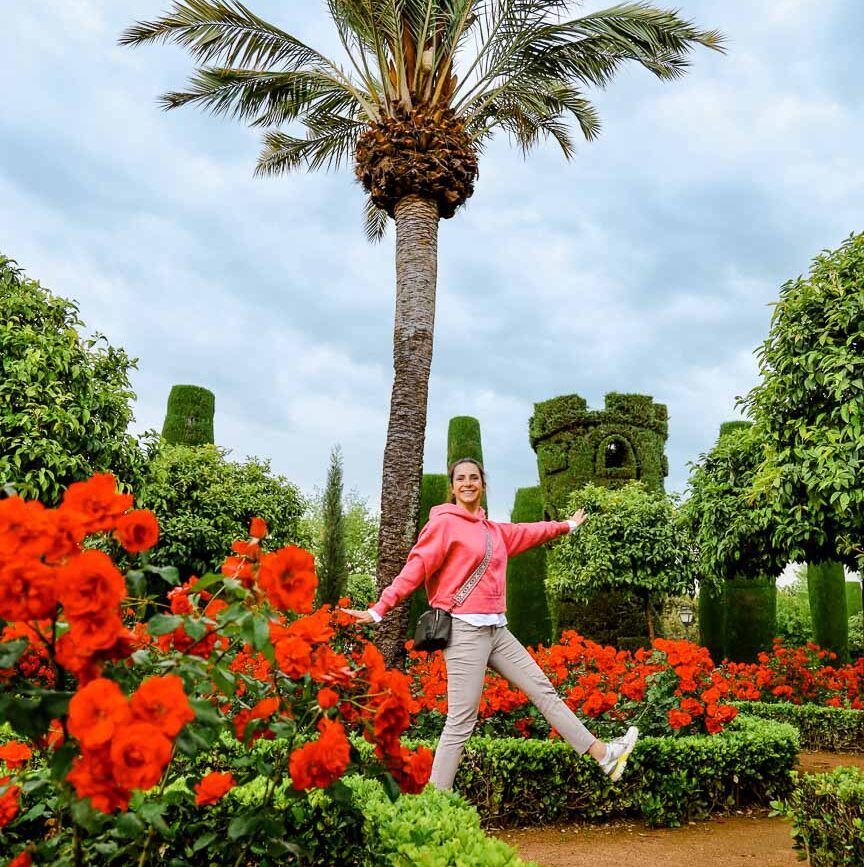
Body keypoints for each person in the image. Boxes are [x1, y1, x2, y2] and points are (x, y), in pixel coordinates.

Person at [342, 457, 638, 791]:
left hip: (497, 630)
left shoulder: (494, 532)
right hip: (465, 632)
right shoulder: (443, 525)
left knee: (543, 691)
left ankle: (604, 755)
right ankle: (434, 805)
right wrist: (380, 608)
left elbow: (530, 532)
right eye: (461, 479)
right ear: (452, 487)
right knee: (461, 722)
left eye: (474, 478)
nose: (468, 483)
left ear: (483, 484)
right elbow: (417, 566)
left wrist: (567, 526)